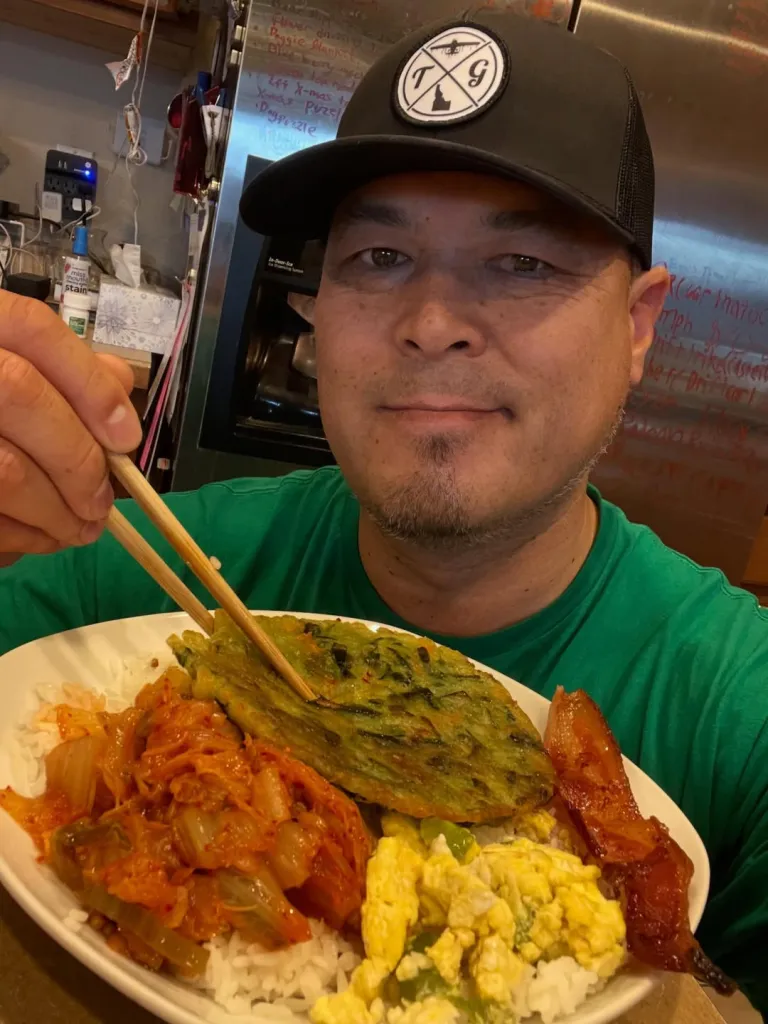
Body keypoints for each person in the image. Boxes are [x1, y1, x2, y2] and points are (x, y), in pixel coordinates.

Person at [0, 10, 765, 1014]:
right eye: (379, 259)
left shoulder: (739, 711)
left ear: (637, 328)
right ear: (314, 303)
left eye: (523, 263)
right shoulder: (140, 567)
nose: (432, 323)